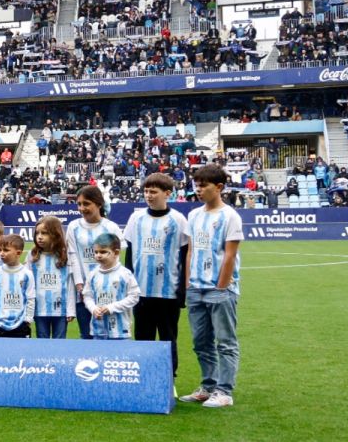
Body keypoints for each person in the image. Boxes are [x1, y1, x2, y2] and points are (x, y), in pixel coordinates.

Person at [181, 165, 243, 408]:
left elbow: (229, 255)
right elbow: (191, 252)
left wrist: (221, 286)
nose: (198, 189)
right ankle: (208, 386)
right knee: (201, 342)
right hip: (196, 288)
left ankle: (224, 391)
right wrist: (188, 284)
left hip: (220, 290)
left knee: (225, 342)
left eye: (203, 185)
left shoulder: (230, 216)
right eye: (196, 185)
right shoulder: (194, 215)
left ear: (218, 187)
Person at [122, 172, 190, 374]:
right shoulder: (136, 218)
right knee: (143, 339)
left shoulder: (178, 220)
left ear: (167, 193)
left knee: (168, 339)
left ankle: (169, 379)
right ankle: (144, 377)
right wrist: (129, 286)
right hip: (140, 292)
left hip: (168, 292)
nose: (149, 195)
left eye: (154, 191)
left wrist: (182, 291)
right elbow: (130, 254)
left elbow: (186, 255)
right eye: (146, 191)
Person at [67, 186, 122, 340]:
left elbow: (117, 260)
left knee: (109, 335)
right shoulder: (73, 227)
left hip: (107, 289)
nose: (82, 208)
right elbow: (73, 256)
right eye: (79, 204)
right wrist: (79, 283)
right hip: (83, 290)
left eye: (86, 203)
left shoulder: (111, 227)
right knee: (86, 334)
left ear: (98, 204)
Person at [81, 234, 140, 341]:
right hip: (98, 331)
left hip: (120, 332)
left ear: (116, 252)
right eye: (96, 252)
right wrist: (93, 309)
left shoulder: (125, 274)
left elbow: (134, 296)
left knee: (120, 358)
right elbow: (87, 296)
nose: (98, 255)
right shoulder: (93, 274)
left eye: (103, 252)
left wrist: (112, 308)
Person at [30, 216, 73, 339]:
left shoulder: (65, 256)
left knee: (59, 341)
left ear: (55, 234)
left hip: (60, 310)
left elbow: (70, 285)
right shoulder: (32, 256)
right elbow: (29, 285)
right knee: (42, 341)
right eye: (37, 233)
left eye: (44, 233)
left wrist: (70, 310)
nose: (39, 236)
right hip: (39, 309)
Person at [0, 234, 36, 338]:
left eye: (6, 250)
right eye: (0, 250)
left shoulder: (27, 274)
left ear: (18, 253)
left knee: (22, 353)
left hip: (21, 325)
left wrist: (27, 320)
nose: (2, 253)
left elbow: (30, 299)